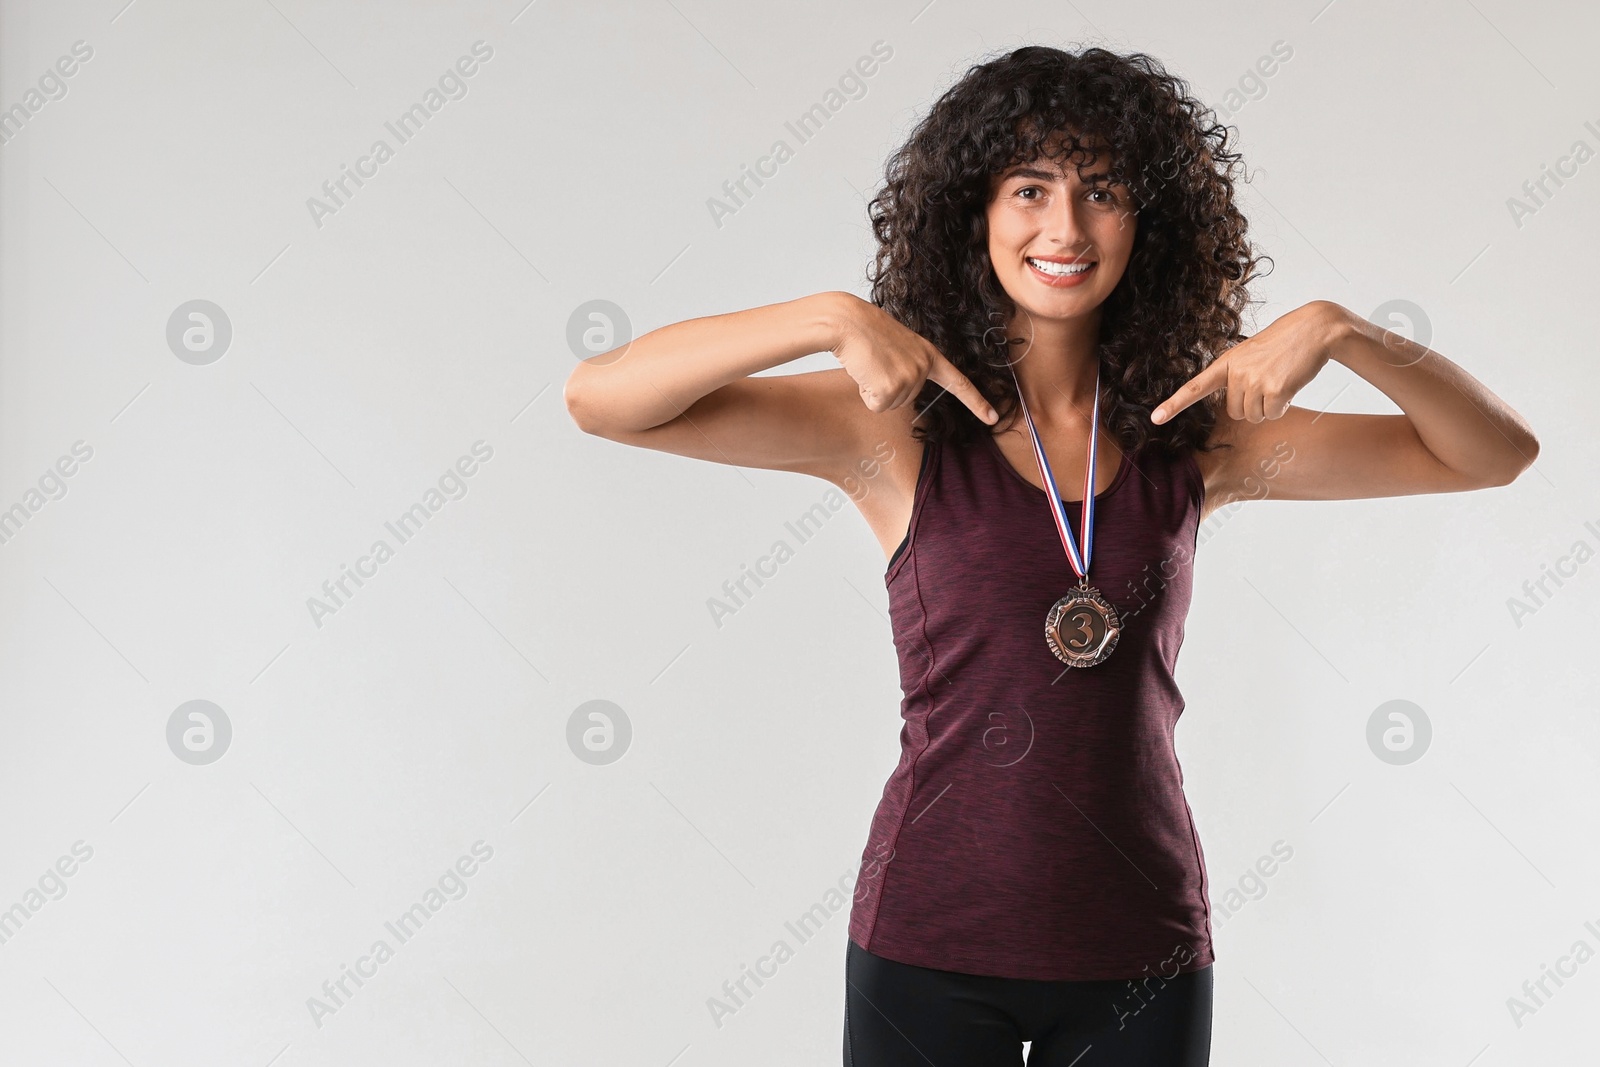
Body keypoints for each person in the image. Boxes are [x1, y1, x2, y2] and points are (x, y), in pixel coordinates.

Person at [563, 44, 1538, 1067]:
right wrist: (825, 318)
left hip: (1140, 948)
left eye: (1102, 191)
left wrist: (1340, 332)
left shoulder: (1194, 433)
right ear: (972, 212)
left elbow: (1493, 453)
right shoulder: (893, 431)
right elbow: (602, 399)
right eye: (1030, 188)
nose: (1065, 228)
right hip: (929, 938)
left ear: (1146, 224)